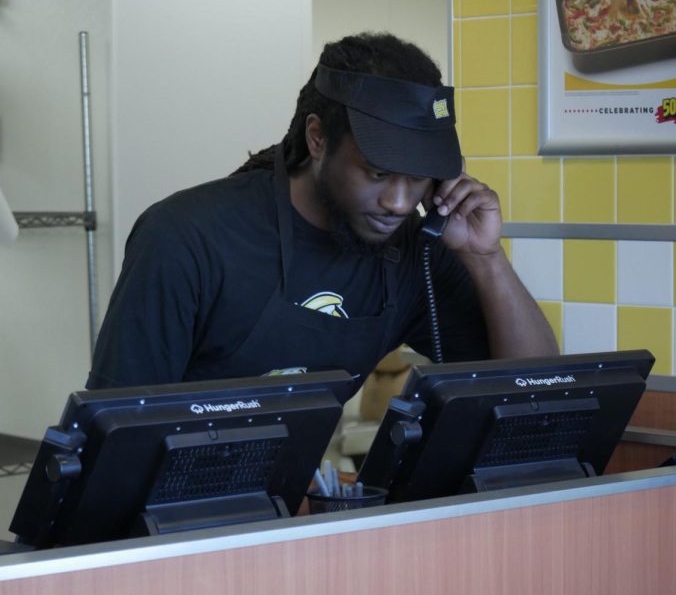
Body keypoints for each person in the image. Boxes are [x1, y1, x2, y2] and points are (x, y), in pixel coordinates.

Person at [86, 32, 558, 400]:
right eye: (376, 172)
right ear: (317, 139)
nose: (398, 201)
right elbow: (114, 421)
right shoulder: (187, 238)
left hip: (281, 513)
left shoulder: (414, 250)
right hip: (154, 517)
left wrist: (486, 257)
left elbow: (536, 387)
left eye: (418, 178)